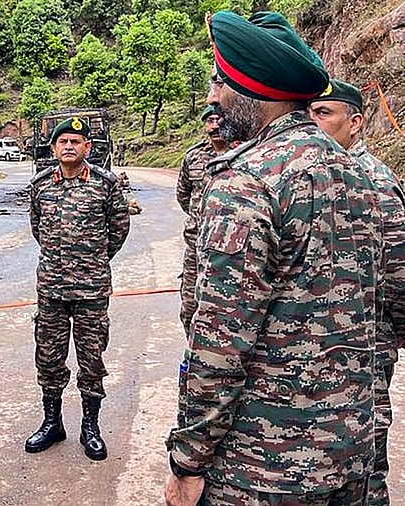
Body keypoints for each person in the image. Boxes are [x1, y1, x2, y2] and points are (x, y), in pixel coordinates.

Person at [165, 11, 382, 506]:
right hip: (351, 450)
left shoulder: (247, 183)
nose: (213, 98)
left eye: (220, 83)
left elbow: (220, 344)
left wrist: (189, 460)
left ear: (250, 90)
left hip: (262, 465)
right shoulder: (363, 175)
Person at [308, 79, 405, 506]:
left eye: (324, 113)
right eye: (309, 112)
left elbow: (399, 273)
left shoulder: (376, 183)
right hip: (311, 345)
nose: (314, 122)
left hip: (365, 345)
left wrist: (393, 334)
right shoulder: (308, 174)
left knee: (363, 460)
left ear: (356, 122)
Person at [26, 117, 130, 461]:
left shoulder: (106, 184)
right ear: (53, 148)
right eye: (63, 141)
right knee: (48, 358)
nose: (69, 146)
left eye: (76, 141)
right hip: (51, 290)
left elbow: (118, 229)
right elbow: (37, 227)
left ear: (88, 147)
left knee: (92, 360)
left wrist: (94, 259)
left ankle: (91, 427)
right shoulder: (40, 185)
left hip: (91, 290)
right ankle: (52, 423)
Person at [175, 105, 232, 337]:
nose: (215, 126)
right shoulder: (194, 157)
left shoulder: (245, 153)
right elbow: (184, 195)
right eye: (209, 121)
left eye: (219, 120)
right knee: (190, 307)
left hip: (230, 248)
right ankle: (193, 357)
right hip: (196, 247)